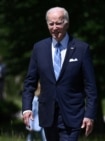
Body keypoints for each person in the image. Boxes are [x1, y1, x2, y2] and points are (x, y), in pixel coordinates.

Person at [22, 7, 98, 141]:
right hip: (48, 114)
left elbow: (90, 86)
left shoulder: (81, 48)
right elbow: (30, 82)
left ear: (67, 24)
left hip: (72, 114)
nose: (54, 27)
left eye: (58, 23)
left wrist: (90, 114)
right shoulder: (39, 48)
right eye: (51, 24)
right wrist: (27, 108)